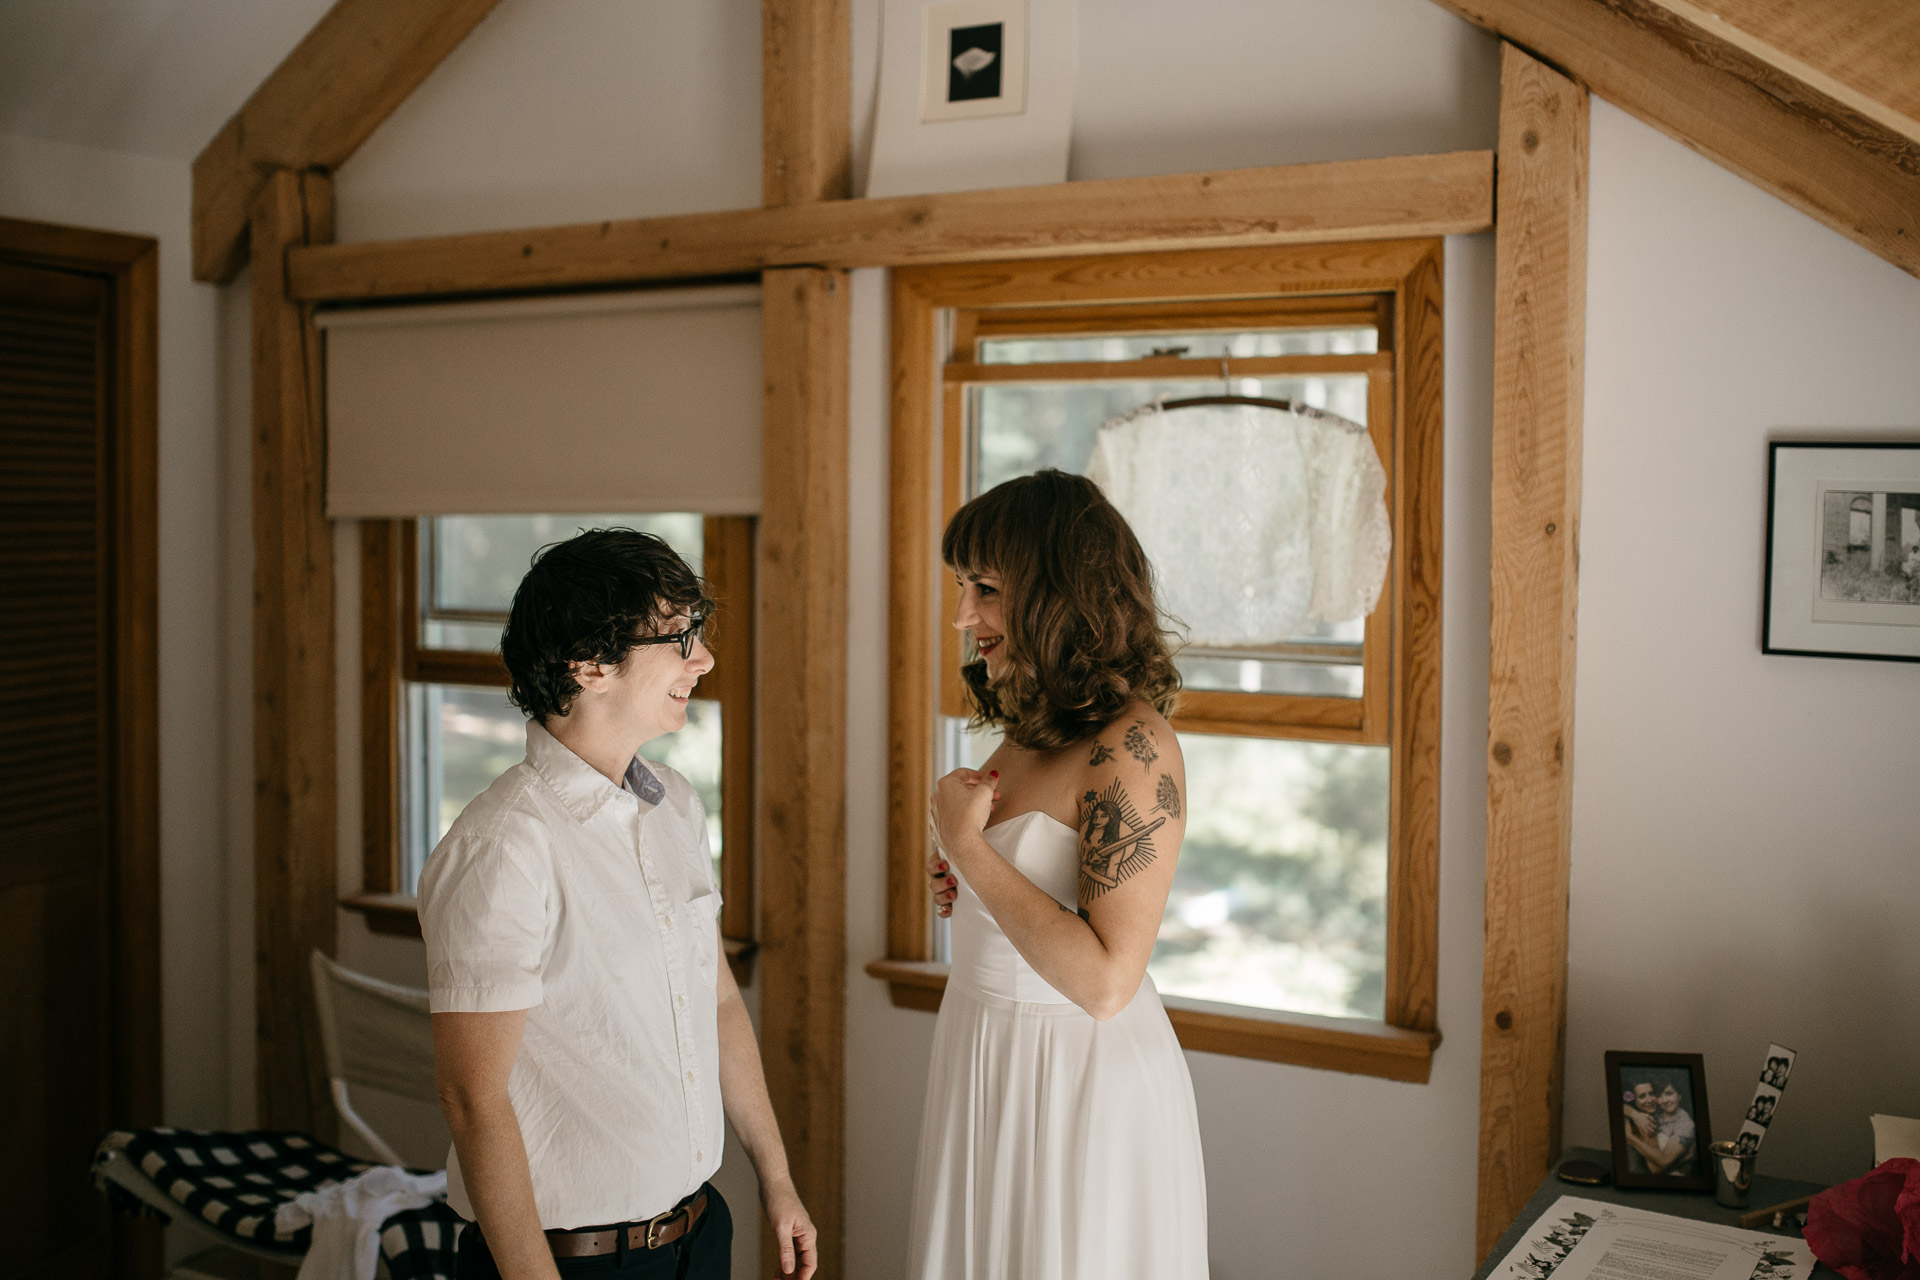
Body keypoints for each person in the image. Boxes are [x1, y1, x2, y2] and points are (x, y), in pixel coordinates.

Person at [420, 529, 817, 1280]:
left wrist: (777, 1178)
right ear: (591, 665)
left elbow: (717, 1001)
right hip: (570, 1264)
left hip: (700, 1236)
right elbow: (471, 1098)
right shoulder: (501, 847)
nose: (704, 660)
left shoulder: (676, 805)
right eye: (680, 638)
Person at [909, 470, 1209, 1280]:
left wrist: (971, 852)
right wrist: (963, 874)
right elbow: (1028, 888)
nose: (962, 615)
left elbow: (1107, 984)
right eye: (962, 586)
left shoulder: (1132, 751)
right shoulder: (1032, 725)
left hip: (1075, 1077)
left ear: (1058, 593)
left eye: (985, 589)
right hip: (983, 1050)